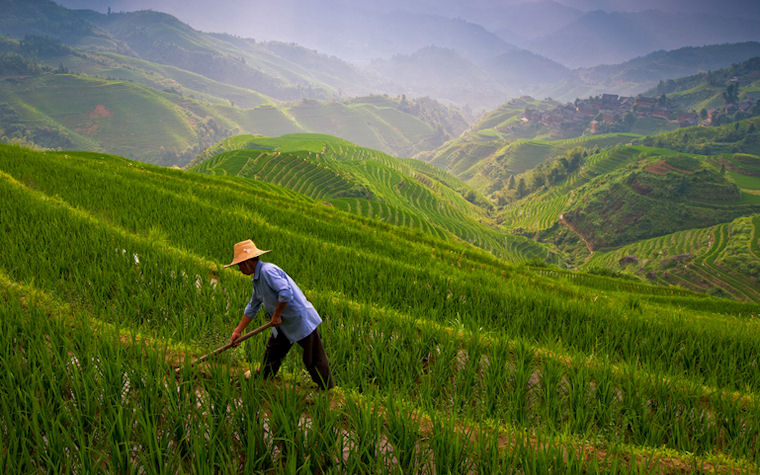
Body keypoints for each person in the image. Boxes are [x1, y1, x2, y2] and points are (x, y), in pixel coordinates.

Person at [226, 239, 334, 390]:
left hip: (299, 319)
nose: (239, 269)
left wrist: (276, 315)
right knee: (274, 349)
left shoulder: (267, 271)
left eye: (239, 265)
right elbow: (252, 307)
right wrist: (238, 331)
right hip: (283, 322)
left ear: (248, 262)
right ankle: (265, 374)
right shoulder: (257, 281)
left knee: (312, 357)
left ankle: (325, 389)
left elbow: (285, 292)